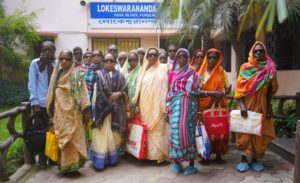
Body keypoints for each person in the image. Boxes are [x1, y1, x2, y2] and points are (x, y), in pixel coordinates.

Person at [234, 41, 278, 173]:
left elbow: (270, 90)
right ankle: (243, 159)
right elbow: (239, 89)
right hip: (246, 107)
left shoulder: (270, 69)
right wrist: (241, 105)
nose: (258, 53)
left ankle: (254, 160)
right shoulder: (245, 68)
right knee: (244, 133)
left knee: (258, 132)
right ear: (252, 53)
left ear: (265, 53)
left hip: (262, 106)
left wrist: (269, 107)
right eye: (256, 51)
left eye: (261, 51)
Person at [46, 49, 90, 174]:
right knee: (64, 138)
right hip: (60, 114)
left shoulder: (77, 74)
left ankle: (75, 166)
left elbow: (83, 92)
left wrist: (86, 110)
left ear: (72, 61)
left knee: (74, 139)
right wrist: (51, 111)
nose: (64, 61)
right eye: (62, 59)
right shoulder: (57, 75)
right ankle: (64, 166)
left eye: (67, 59)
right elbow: (51, 93)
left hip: (75, 113)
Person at [90, 53, 128, 170]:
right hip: (102, 110)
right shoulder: (98, 74)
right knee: (101, 134)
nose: (108, 63)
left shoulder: (120, 76)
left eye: (111, 61)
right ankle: (99, 162)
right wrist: (106, 98)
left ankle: (112, 159)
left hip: (116, 110)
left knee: (114, 135)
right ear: (103, 62)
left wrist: (119, 93)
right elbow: (95, 91)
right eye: (106, 61)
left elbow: (126, 91)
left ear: (115, 62)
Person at [167, 48, 201, 175]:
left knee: (189, 133)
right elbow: (169, 92)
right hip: (175, 108)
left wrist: (198, 111)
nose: (182, 59)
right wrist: (167, 108)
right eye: (179, 56)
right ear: (176, 58)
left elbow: (197, 93)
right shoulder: (172, 74)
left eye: (184, 57)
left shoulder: (194, 74)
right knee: (175, 132)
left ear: (188, 58)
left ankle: (191, 164)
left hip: (189, 108)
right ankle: (177, 162)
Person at [133, 47, 169, 162]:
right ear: (147, 57)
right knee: (146, 128)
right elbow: (138, 88)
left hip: (158, 105)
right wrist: (137, 104)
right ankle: (147, 155)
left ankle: (159, 157)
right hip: (145, 104)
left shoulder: (163, 69)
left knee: (158, 129)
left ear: (158, 57)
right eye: (150, 55)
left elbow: (165, 88)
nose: (152, 57)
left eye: (155, 55)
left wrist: (164, 106)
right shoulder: (143, 70)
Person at [197, 48, 231, 164]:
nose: (212, 60)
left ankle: (218, 155)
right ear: (207, 58)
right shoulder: (200, 73)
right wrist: (211, 93)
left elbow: (228, 88)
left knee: (218, 127)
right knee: (206, 130)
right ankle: (204, 155)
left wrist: (223, 93)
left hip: (218, 105)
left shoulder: (222, 72)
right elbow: (196, 91)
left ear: (218, 59)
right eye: (210, 57)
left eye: (214, 58)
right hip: (203, 106)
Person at [28, 40, 56, 168]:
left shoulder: (57, 63)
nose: (47, 52)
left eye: (50, 50)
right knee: (41, 133)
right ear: (41, 51)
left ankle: (53, 157)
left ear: (54, 51)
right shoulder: (35, 64)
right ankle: (42, 160)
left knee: (54, 131)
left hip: (55, 105)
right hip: (41, 104)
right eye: (45, 50)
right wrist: (35, 102)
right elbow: (32, 83)